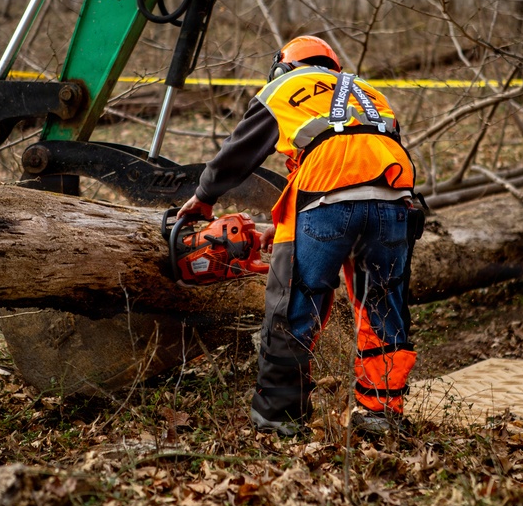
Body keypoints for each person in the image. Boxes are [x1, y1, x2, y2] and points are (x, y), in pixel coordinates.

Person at [177, 35, 421, 436]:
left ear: (284, 66)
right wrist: (286, 222)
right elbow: (358, 161)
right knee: (383, 307)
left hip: (326, 196)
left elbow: (241, 149)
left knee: (294, 305)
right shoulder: (368, 92)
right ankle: (381, 412)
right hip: (394, 200)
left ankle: (280, 417)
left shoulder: (286, 86)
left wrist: (204, 197)